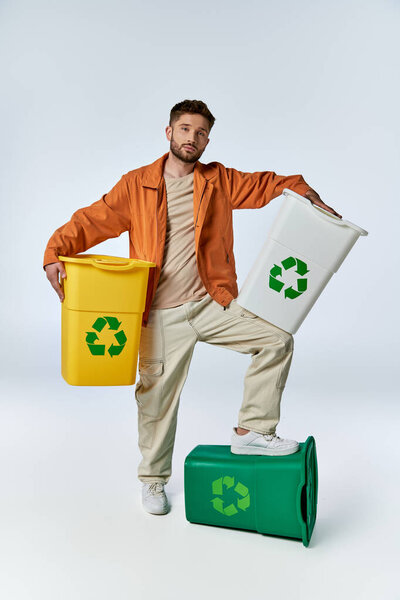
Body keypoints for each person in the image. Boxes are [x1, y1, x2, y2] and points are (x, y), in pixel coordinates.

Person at [44, 99, 341, 516]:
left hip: (210, 303)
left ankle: (252, 430)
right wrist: (55, 251)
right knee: (156, 402)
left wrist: (304, 190)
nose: (192, 138)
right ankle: (152, 480)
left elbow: (266, 184)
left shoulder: (217, 180)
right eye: (185, 129)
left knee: (277, 339)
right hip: (160, 316)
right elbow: (93, 219)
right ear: (169, 133)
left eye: (200, 133)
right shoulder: (136, 184)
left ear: (207, 140)